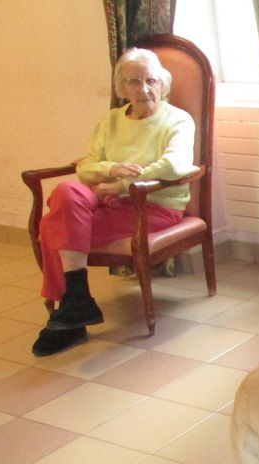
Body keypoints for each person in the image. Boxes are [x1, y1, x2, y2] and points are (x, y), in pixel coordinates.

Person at [32, 46, 197, 357]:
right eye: (134, 82)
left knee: (52, 225)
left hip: (152, 204)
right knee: (66, 192)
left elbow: (174, 165)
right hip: (104, 198)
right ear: (122, 88)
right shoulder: (110, 121)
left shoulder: (178, 120)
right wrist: (111, 169)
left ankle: (72, 310)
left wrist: (123, 185)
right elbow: (85, 168)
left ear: (163, 82)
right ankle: (76, 301)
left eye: (151, 80)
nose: (145, 89)